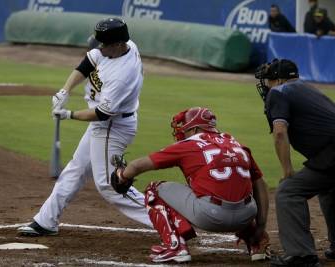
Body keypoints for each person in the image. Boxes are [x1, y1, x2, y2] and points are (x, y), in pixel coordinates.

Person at [17, 17, 152, 236]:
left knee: (110, 186)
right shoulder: (121, 46)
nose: (100, 48)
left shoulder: (122, 76)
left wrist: (68, 114)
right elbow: (88, 62)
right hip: (106, 125)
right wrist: (65, 90)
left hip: (113, 127)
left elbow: (101, 114)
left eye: (105, 45)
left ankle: (166, 220)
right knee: (76, 169)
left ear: (118, 45)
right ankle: (45, 221)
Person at [109, 107, 270, 263]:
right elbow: (260, 183)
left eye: (185, 129)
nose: (182, 133)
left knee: (154, 190)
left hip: (211, 215)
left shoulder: (189, 145)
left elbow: (137, 166)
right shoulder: (234, 143)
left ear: (195, 129)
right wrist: (261, 226)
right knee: (235, 187)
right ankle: (255, 242)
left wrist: (121, 175)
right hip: (246, 216)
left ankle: (175, 247)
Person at [255, 58, 335, 267]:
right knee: (328, 188)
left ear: (279, 79)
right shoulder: (309, 89)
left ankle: (301, 256)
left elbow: (280, 133)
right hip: (328, 156)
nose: (268, 85)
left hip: (331, 154)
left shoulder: (278, 92)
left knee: (289, 191)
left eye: (270, 80)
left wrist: (287, 170)